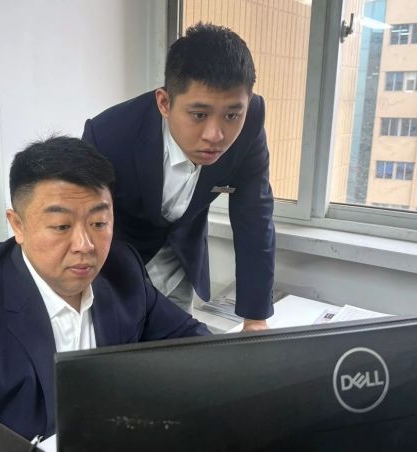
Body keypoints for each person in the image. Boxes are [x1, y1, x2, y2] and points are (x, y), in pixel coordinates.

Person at [0, 137, 209, 452]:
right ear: (18, 226)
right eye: (61, 226)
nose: (85, 245)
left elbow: (196, 344)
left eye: (99, 223)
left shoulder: (121, 269)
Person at [83, 23, 275, 332]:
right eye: (199, 115)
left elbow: (254, 216)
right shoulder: (108, 135)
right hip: (117, 263)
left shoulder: (250, 123)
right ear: (165, 103)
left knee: (177, 349)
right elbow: (87, 222)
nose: (215, 135)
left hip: (180, 261)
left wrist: (255, 319)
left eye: (231, 115)